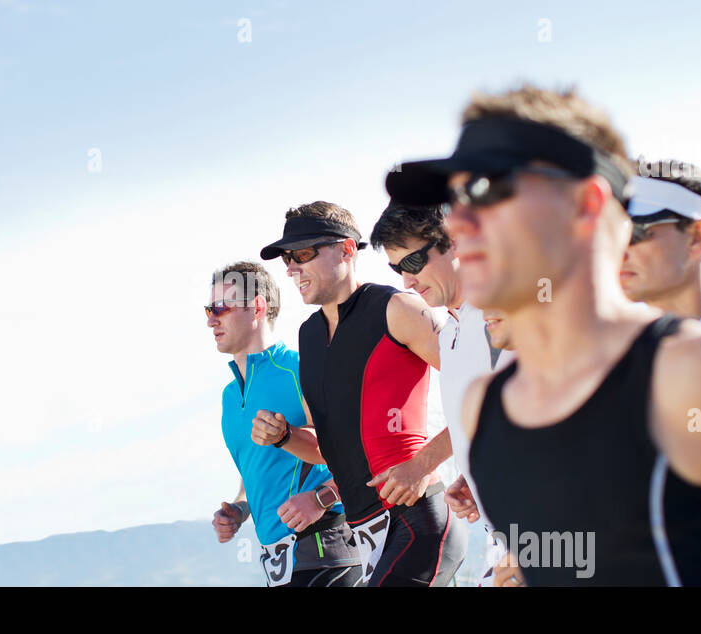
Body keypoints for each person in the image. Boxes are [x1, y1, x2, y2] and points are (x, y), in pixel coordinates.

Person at [386, 84, 701, 586]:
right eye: (456, 199)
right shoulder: (486, 403)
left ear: (587, 204)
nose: (461, 224)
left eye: (489, 192)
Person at [251, 201, 466, 586]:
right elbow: (325, 447)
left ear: (347, 249)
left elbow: (488, 389)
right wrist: (283, 437)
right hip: (366, 533)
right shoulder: (309, 337)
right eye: (287, 258)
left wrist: (423, 463)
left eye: (302, 253)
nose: (291, 267)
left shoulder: (397, 308)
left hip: (419, 516)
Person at [368, 201, 510, 585]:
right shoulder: (448, 335)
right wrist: (473, 471)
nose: (406, 281)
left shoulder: (510, 314)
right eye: (396, 269)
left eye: (412, 263)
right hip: (502, 541)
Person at [206, 261, 361, 587]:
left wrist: (320, 499)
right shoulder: (230, 396)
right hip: (277, 561)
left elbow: (360, 450)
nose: (211, 320)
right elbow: (257, 470)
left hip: (325, 544)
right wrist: (239, 509)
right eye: (209, 309)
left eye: (221, 308)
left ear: (258, 307)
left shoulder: (300, 368)